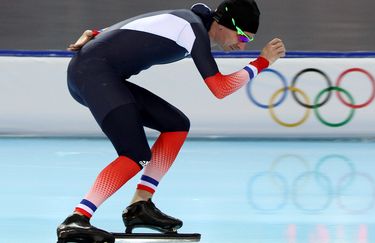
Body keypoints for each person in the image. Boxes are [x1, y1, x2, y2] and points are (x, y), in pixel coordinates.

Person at [57, 0, 286, 242]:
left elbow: (142, 26)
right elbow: (220, 88)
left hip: (99, 73)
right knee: (134, 154)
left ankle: (140, 206)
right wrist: (262, 63)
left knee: (176, 125)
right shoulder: (193, 29)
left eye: (247, 41)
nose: (241, 46)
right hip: (92, 74)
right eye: (242, 37)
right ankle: (77, 219)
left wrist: (97, 33)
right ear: (222, 23)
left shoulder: (192, 24)